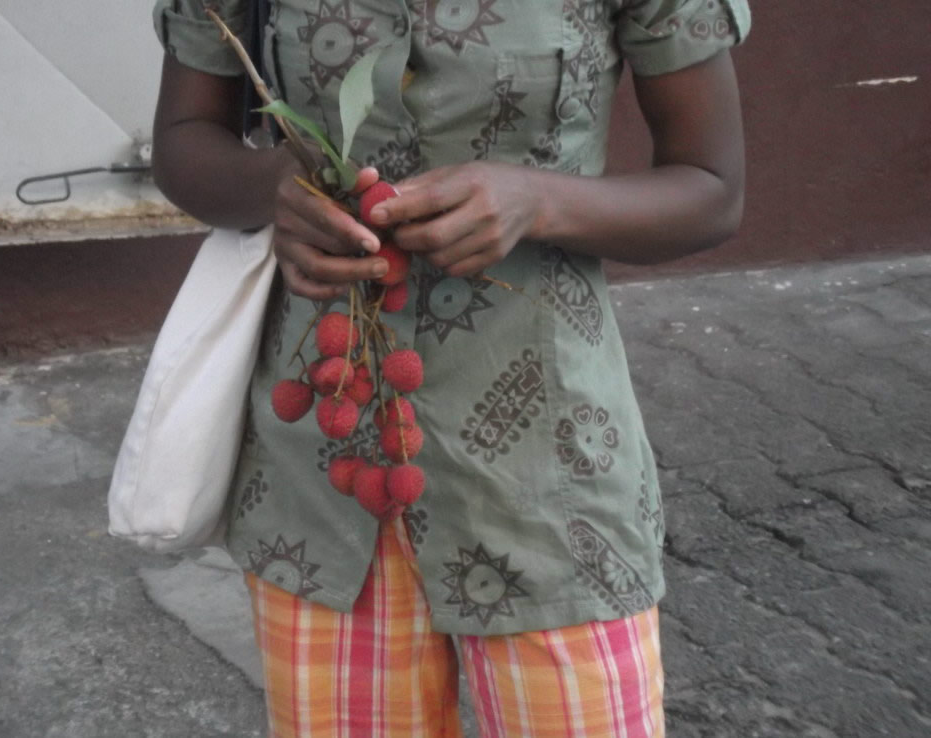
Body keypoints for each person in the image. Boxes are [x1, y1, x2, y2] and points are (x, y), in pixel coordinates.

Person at [150, 0, 750, 735]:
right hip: (323, 477)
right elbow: (185, 139)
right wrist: (277, 188)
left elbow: (711, 189)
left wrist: (539, 202)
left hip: (550, 475)